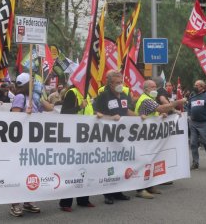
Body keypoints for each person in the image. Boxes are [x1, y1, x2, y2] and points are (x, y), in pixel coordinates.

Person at [134, 80, 186, 198]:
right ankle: (140, 189)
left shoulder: (150, 99)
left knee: (151, 160)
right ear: (146, 89)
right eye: (152, 87)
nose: (155, 89)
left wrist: (159, 116)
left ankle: (149, 185)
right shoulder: (146, 100)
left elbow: (155, 113)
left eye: (155, 87)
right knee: (144, 161)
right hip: (143, 135)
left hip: (150, 135)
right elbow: (161, 108)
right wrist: (177, 102)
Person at [92, 70, 135, 205]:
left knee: (121, 163)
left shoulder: (124, 96)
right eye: (117, 82)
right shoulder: (103, 96)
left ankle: (118, 191)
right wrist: (110, 118)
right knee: (109, 165)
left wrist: (140, 117)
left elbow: (127, 111)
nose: (120, 85)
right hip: (107, 137)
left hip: (122, 137)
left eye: (121, 82)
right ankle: (108, 193)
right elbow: (95, 112)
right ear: (110, 84)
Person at [7, 73, 42, 216]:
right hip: (21, 143)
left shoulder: (33, 98)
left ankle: (28, 201)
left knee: (30, 172)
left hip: (33, 142)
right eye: (32, 82)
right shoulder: (20, 97)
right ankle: (15, 204)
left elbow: (49, 108)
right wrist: (25, 114)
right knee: (18, 173)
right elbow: (14, 119)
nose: (34, 84)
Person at [58, 84, 95, 212]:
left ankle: (83, 200)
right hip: (73, 137)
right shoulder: (72, 93)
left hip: (87, 137)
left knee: (86, 169)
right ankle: (65, 203)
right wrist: (79, 107)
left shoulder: (88, 94)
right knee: (72, 171)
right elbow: (64, 113)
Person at [186, 80, 206, 169]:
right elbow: (188, 107)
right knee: (193, 143)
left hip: (204, 123)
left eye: (197, 85)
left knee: (205, 142)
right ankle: (195, 162)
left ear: (202, 87)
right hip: (193, 122)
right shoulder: (193, 95)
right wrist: (188, 115)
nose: (195, 86)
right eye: (194, 85)